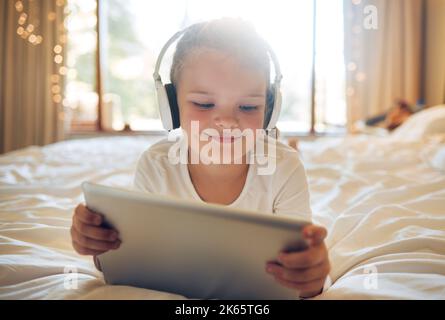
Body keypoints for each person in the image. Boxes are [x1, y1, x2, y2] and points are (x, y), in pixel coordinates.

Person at [71, 18, 331, 298]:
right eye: (204, 104)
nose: (227, 121)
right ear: (170, 106)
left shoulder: (285, 169)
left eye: (248, 106)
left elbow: (303, 278)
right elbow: (135, 259)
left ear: (269, 111)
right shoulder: (157, 166)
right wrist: (99, 246)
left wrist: (312, 277)